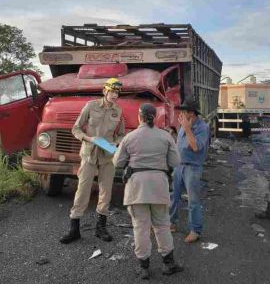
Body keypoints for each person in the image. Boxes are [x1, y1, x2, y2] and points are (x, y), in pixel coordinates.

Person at [113, 103, 183, 280]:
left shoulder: (130, 137)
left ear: (140, 116)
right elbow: (175, 161)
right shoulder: (165, 136)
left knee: (140, 228)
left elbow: (117, 163)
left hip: (137, 188)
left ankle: (144, 267)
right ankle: (169, 263)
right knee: (162, 226)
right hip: (159, 187)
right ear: (155, 117)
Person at [60, 78, 125, 244]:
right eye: (112, 91)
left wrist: (115, 143)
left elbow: (122, 134)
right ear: (105, 91)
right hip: (89, 153)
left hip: (107, 155)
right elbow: (75, 128)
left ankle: (101, 227)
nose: (114, 95)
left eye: (117, 92)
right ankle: (74, 229)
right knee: (82, 190)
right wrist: (88, 138)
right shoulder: (91, 106)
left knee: (106, 192)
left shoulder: (118, 111)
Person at [170, 97, 209, 243]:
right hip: (179, 165)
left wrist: (187, 128)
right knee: (174, 195)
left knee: (193, 200)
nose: (181, 114)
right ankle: (171, 222)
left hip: (193, 167)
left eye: (184, 111)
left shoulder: (202, 127)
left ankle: (195, 230)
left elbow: (196, 146)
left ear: (191, 113)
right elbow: (180, 144)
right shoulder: (183, 124)